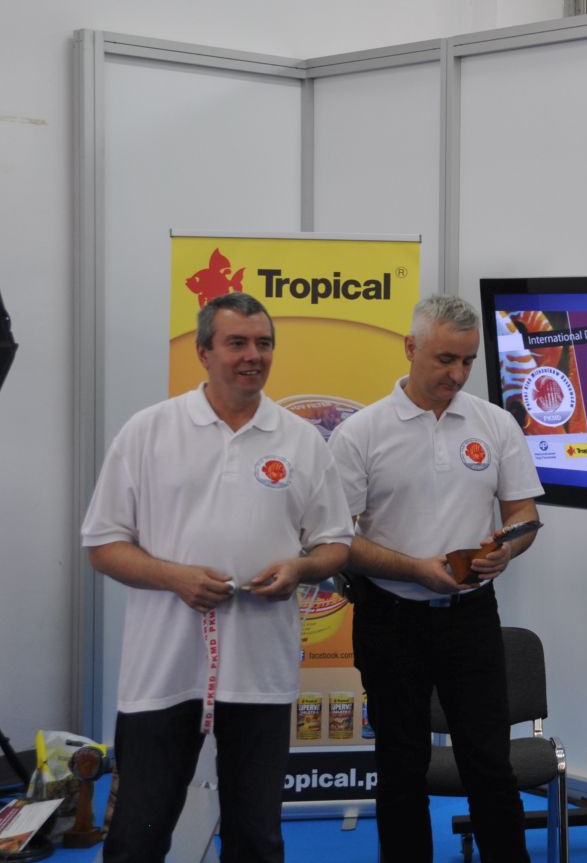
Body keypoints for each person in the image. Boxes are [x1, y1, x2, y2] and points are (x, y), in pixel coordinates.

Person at [82, 292, 352, 863]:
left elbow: (336, 544)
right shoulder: (148, 432)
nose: (253, 355)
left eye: (264, 343)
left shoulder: (302, 440)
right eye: (237, 343)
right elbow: (103, 547)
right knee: (137, 837)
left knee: (256, 839)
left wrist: (301, 568)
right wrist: (174, 578)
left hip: (260, 673)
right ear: (204, 352)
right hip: (163, 671)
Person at [329, 295, 543, 863]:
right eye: (445, 359)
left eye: (468, 361)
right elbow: (337, 540)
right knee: (401, 769)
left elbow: (524, 514)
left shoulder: (495, 423)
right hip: (390, 618)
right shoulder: (360, 434)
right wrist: (413, 569)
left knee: (490, 765)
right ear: (410, 348)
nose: (458, 374)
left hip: (472, 618)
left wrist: (507, 548)